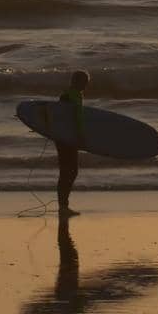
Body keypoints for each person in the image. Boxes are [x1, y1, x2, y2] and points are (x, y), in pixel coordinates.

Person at [56, 71, 89, 217]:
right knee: (67, 171)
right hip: (65, 138)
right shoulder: (67, 96)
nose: (86, 85)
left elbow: (78, 117)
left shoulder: (76, 94)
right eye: (84, 81)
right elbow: (63, 117)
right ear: (77, 81)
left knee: (70, 171)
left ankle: (64, 206)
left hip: (70, 138)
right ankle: (63, 206)